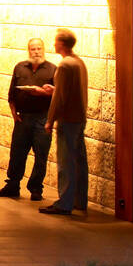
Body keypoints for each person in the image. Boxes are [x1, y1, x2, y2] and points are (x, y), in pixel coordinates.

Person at [0, 38, 56, 201]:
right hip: (23, 118)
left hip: (42, 118)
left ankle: (36, 188)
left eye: (39, 48)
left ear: (44, 49)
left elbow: (58, 95)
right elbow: (11, 93)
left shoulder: (52, 70)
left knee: (41, 155)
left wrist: (42, 93)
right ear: (28, 50)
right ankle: (13, 185)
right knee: (17, 153)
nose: (36, 51)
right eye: (33, 48)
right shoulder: (20, 67)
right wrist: (14, 113)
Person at [40, 28, 90, 216]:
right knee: (79, 161)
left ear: (62, 43)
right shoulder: (79, 63)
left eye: (55, 41)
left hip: (67, 120)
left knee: (65, 162)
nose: (53, 44)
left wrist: (50, 120)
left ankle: (64, 203)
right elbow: (69, 91)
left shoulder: (64, 66)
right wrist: (55, 89)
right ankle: (79, 200)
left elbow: (60, 98)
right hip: (79, 118)